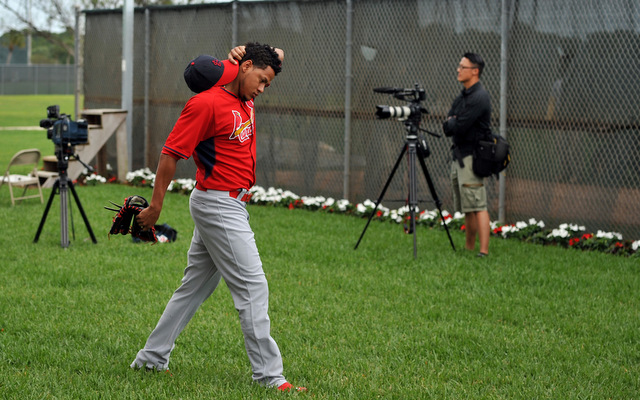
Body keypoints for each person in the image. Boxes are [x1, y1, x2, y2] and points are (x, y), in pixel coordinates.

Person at [130, 42, 306, 392]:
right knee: (253, 287)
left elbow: (278, 54)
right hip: (218, 205)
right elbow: (170, 155)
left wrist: (248, 53)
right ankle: (271, 377)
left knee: (194, 287)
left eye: (268, 83)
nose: (263, 88)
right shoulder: (206, 103)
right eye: (262, 80)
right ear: (246, 68)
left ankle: (151, 358)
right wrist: (155, 206)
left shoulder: (245, 94)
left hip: (229, 204)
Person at [443, 52, 492, 257]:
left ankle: (483, 252)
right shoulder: (462, 96)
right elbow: (448, 126)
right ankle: (469, 248)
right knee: (467, 206)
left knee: (478, 204)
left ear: (475, 71)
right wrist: (453, 121)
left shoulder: (479, 97)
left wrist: (454, 121)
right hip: (459, 157)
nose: (458, 69)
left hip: (472, 157)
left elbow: (459, 126)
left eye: (463, 67)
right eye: (459, 65)